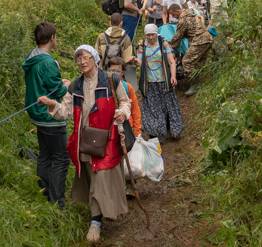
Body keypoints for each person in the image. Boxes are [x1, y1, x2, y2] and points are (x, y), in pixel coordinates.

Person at [38, 45, 131, 243]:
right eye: (78, 59)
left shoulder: (112, 80)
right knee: (94, 179)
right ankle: (102, 213)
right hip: (86, 141)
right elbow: (65, 112)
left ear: (95, 58)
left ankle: (95, 224)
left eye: (86, 57)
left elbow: (125, 102)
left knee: (101, 177)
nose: (82, 62)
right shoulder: (75, 86)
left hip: (107, 138)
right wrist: (53, 105)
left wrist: (123, 113)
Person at [22, 21, 72, 208]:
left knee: (44, 154)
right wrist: (65, 85)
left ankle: (44, 192)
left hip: (36, 113)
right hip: (49, 115)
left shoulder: (32, 57)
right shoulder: (48, 61)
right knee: (61, 157)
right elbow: (55, 91)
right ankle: (57, 201)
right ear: (52, 38)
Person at [135, 24, 183, 140]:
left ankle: (173, 130)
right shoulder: (142, 46)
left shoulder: (164, 44)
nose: (150, 37)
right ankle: (156, 133)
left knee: (169, 106)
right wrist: (135, 61)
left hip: (164, 81)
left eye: (153, 35)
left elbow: (171, 62)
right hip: (150, 83)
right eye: (148, 35)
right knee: (153, 108)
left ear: (157, 34)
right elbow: (141, 64)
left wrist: (173, 77)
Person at [168, 5, 212, 96]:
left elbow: (178, 36)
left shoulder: (183, 19)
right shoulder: (190, 14)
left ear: (177, 11)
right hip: (207, 38)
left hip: (200, 40)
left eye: (173, 14)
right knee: (198, 62)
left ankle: (194, 85)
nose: (173, 17)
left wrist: (169, 46)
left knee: (187, 62)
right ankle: (201, 84)